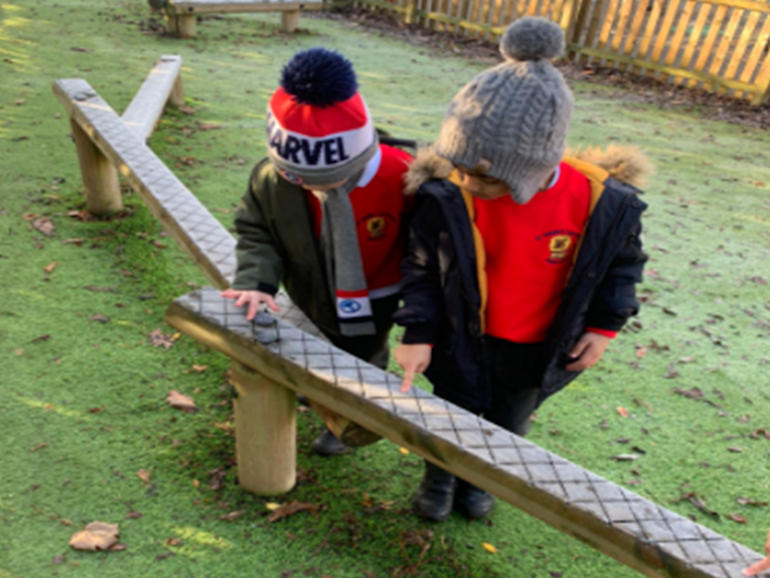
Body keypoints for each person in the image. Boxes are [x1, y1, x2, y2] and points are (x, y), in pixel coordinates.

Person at [392, 17, 650, 522]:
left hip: (536, 347)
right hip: (458, 337)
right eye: (457, 165)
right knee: (451, 415)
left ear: (530, 165)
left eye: (479, 174)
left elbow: (622, 266)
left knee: (507, 425)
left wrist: (604, 328)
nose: (463, 180)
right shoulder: (446, 196)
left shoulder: (602, 204)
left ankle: (479, 481)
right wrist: (418, 331)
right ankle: (439, 478)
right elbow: (421, 266)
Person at [221, 47, 412, 455]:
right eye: (298, 177)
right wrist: (256, 281)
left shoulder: (404, 177)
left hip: (376, 293)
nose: (313, 188)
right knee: (314, 335)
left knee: (363, 354)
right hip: (308, 284)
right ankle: (315, 389)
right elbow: (257, 229)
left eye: (329, 178)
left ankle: (353, 414)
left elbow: (429, 248)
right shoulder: (274, 181)